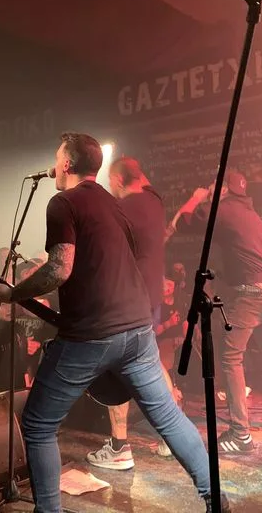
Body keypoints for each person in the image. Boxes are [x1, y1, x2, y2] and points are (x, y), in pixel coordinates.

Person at [0, 132, 229, 513]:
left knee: (37, 423)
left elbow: (59, 268)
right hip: (138, 329)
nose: (53, 165)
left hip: (93, 335)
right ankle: (215, 497)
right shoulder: (113, 204)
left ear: (67, 164)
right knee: (168, 417)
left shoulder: (62, 203)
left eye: (57, 157)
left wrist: (13, 293)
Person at [169, 170, 262, 455]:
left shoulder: (222, 208)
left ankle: (240, 434)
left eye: (213, 184)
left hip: (252, 292)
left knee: (231, 356)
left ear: (223, 188)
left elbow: (181, 223)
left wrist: (196, 198)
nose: (209, 188)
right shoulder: (249, 212)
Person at [87, 156, 181, 469]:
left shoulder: (124, 208)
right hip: (149, 298)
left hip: (125, 300)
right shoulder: (154, 203)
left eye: (111, 182)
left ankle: (118, 447)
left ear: (117, 180)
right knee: (151, 363)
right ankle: (172, 436)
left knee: (115, 367)